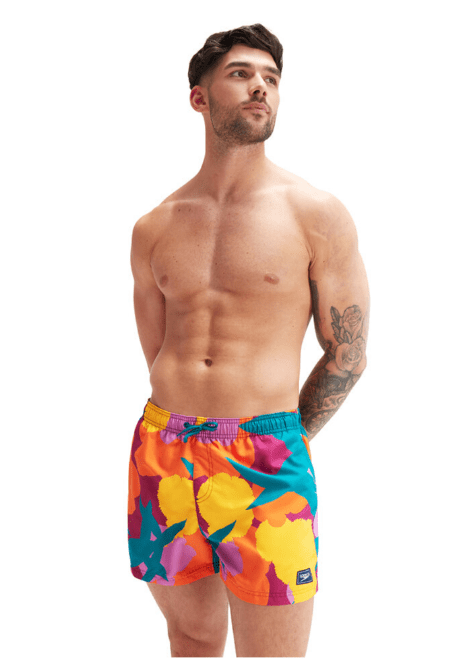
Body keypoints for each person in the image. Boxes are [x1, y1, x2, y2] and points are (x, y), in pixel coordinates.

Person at [127, 23, 369, 658]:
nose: (261, 87)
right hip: (164, 452)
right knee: (191, 637)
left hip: (265, 456)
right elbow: (158, 351)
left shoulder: (315, 214)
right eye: (241, 74)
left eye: (271, 78)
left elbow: (348, 354)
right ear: (199, 98)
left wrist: (282, 436)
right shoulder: (154, 227)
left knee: (273, 658)